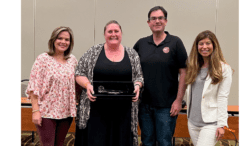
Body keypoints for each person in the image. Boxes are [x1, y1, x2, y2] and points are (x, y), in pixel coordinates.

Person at [74, 20, 144, 146]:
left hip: (124, 111)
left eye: (116, 31)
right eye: (110, 31)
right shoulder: (93, 51)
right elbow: (79, 73)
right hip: (96, 110)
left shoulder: (132, 54)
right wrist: (87, 85)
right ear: (104, 34)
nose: (113, 34)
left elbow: (139, 76)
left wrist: (138, 85)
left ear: (121, 33)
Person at [133, 6, 188, 146]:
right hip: (144, 105)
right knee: (147, 142)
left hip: (167, 106)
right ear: (148, 22)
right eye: (153, 18)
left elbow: (184, 72)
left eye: (160, 18)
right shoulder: (141, 43)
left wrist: (178, 100)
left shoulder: (175, 42)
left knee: (164, 142)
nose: (157, 21)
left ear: (166, 21)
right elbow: (131, 68)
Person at [26, 26, 78, 146]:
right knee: (48, 144)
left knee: (60, 144)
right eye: (60, 38)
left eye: (67, 39)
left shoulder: (72, 60)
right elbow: (34, 87)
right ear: (53, 40)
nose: (63, 42)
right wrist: (35, 111)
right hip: (46, 112)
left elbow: (76, 84)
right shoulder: (43, 59)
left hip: (66, 112)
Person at [184, 30, 232, 146]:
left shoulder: (224, 69)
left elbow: (222, 97)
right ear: (197, 47)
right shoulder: (192, 66)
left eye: (208, 43)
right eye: (201, 44)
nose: (204, 47)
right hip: (192, 122)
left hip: (211, 123)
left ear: (214, 46)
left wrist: (221, 124)